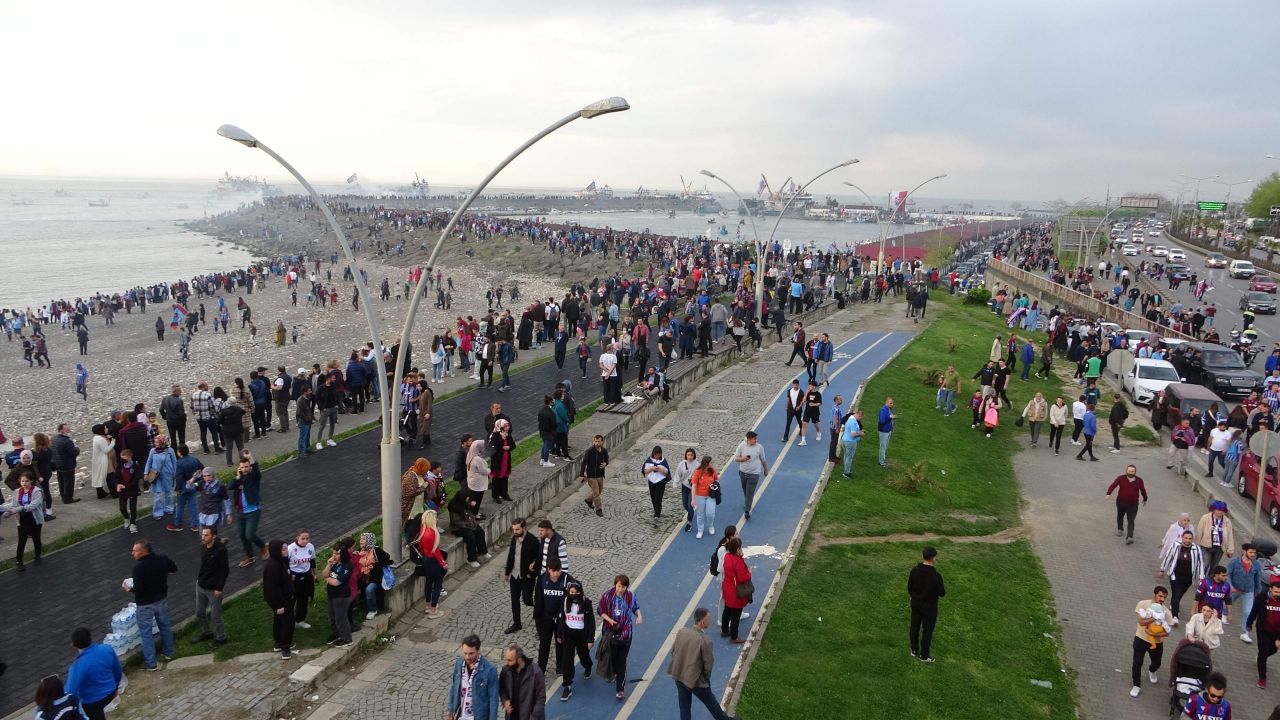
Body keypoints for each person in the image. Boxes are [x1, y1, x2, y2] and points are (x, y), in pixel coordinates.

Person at [668, 607, 740, 720]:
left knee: (684, 707)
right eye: (709, 619)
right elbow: (708, 665)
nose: (710, 621)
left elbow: (674, 651)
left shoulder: (682, 632)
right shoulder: (705, 641)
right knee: (712, 704)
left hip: (679, 677)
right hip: (696, 681)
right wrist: (705, 679)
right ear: (702, 622)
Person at [127, 539, 177, 671]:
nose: (132, 553)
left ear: (143, 552)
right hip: (161, 599)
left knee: (146, 633)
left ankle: (151, 663)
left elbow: (139, 590)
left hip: (145, 605)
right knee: (165, 626)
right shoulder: (162, 559)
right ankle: (169, 652)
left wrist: (129, 589)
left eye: (135, 550)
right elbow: (174, 569)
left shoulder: (138, 568)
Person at [598, 574, 642, 700]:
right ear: (615, 585)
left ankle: (620, 689)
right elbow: (600, 611)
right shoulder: (607, 596)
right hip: (610, 633)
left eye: (623, 587)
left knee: (622, 661)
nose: (620, 589)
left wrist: (639, 616)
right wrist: (610, 620)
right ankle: (614, 671)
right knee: (612, 656)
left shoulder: (631, 596)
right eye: (618, 586)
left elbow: (636, 608)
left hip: (626, 634)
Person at [65, 626, 122, 720]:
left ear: (73, 645)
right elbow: (117, 671)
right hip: (111, 692)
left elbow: (71, 692)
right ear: (90, 638)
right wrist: (115, 687)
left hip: (92, 702)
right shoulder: (107, 649)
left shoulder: (77, 666)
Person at [556, 579, 596, 700]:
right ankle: (567, 686)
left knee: (583, 655)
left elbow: (591, 622)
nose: (573, 594)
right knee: (567, 660)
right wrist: (559, 634)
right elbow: (561, 618)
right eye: (571, 592)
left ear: (580, 592)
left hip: (581, 635)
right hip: (568, 635)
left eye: (575, 592)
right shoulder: (564, 601)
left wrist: (590, 639)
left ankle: (588, 665)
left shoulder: (586, 603)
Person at [533, 557, 573, 675]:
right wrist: (538, 618)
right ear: (548, 570)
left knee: (560, 643)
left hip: (561, 619)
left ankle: (560, 665)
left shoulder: (567, 580)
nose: (556, 574)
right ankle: (541, 667)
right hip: (546, 618)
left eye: (558, 570)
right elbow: (538, 598)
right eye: (553, 571)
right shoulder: (541, 579)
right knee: (544, 644)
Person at [907, 546, 946, 663]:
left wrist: (914, 596)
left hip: (916, 603)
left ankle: (914, 650)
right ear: (933, 558)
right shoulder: (936, 576)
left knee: (914, 626)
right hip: (930, 607)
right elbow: (942, 593)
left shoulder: (914, 570)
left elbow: (910, 587)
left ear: (923, 556)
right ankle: (924, 656)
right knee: (927, 630)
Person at [447, 634, 499, 720]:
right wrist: (451, 708)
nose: (467, 657)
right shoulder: (459, 663)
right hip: (461, 715)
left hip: (479, 717)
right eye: (465, 653)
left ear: (478, 650)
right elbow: (454, 687)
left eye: (471, 653)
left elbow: (493, 699)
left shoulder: (490, 670)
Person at [1130, 585, 1169, 698]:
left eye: (1164, 597)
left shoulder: (1166, 611)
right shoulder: (1143, 604)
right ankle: (1136, 685)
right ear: (1154, 594)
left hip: (1157, 642)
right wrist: (1156, 617)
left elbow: (1167, 632)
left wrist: (1155, 634)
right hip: (1141, 638)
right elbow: (1141, 622)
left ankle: (1152, 670)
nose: (1162, 599)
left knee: (1157, 663)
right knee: (1137, 662)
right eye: (1160, 596)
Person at [1, 470, 45, 569]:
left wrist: (15, 510)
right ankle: (19, 562)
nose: (24, 483)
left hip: (34, 518)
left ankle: (37, 556)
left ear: (31, 481)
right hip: (23, 519)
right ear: (20, 481)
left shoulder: (37, 491)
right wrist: (3, 509)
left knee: (36, 538)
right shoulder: (17, 492)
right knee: (22, 540)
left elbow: (32, 506)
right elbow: (13, 505)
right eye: (22, 481)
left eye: (27, 481)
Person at [1158, 530, 1205, 622]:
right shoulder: (1176, 545)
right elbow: (1168, 557)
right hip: (1175, 575)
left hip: (1188, 577)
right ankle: (1175, 616)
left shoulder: (1196, 549)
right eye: (1186, 538)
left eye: (1190, 539)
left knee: (1179, 595)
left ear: (1193, 539)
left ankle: (1174, 604)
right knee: (1176, 594)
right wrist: (1162, 569)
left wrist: (1201, 576)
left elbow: (1200, 563)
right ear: (1182, 538)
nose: (1187, 540)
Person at [504, 518, 539, 634]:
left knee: (527, 600)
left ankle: (539, 606)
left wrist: (531, 573)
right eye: (513, 529)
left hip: (527, 576)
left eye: (517, 529)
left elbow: (538, 558)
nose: (515, 531)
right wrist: (507, 572)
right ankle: (516, 623)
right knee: (514, 599)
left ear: (524, 528)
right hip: (515, 575)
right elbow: (511, 556)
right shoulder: (514, 539)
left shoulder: (533, 541)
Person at [229, 453, 265, 567]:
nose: (244, 469)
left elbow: (257, 473)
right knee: (242, 535)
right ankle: (249, 556)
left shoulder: (253, 477)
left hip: (253, 511)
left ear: (250, 467)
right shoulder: (239, 479)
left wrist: (251, 459)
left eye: (246, 467)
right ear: (239, 468)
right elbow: (229, 486)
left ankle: (264, 546)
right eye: (242, 467)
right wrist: (237, 477)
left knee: (249, 535)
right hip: (241, 512)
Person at [195, 525, 229, 646]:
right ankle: (207, 632)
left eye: (206, 535)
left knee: (215, 615)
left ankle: (221, 638)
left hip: (213, 589)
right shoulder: (204, 546)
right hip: (200, 585)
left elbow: (225, 570)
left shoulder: (220, 550)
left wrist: (219, 588)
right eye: (202, 535)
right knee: (199, 612)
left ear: (213, 536)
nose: (203, 538)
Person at [499, 644, 546, 719]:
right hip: (512, 716)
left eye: (510, 660)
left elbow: (541, 698)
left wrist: (533, 718)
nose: (507, 663)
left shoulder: (535, 672)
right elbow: (502, 688)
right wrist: (505, 700)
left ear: (519, 660)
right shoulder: (506, 671)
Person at [1229, 543, 1263, 645]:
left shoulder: (1256, 564)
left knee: (1247, 611)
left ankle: (1244, 633)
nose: (1253, 554)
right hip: (1235, 589)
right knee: (1228, 603)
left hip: (1248, 591)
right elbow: (1228, 574)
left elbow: (1258, 578)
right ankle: (1224, 614)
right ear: (1244, 551)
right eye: (1251, 552)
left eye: (1254, 553)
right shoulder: (1234, 562)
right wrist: (1230, 586)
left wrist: (1258, 591)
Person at [720, 537, 752, 644]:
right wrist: (749, 573)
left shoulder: (727, 556)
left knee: (727, 610)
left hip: (727, 587)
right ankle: (734, 637)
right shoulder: (738, 561)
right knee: (736, 615)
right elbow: (743, 578)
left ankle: (724, 630)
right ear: (738, 549)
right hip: (736, 591)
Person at [1105, 465, 1148, 545]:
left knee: (1131, 520)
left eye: (1132, 471)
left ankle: (1129, 537)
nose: (1131, 473)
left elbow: (1143, 490)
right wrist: (1108, 493)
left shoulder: (1139, 481)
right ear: (1126, 471)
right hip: (1121, 502)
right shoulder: (1121, 478)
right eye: (1129, 471)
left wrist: (1145, 498)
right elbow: (1113, 485)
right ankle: (1120, 529)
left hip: (1133, 504)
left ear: (1135, 472)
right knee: (1120, 515)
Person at [324, 540, 354, 648]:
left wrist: (327, 578)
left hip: (341, 596)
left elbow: (336, 582)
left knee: (341, 618)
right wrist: (328, 565)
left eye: (337, 554)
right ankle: (336, 634)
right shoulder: (334, 563)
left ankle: (346, 638)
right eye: (333, 553)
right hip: (331, 595)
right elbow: (324, 574)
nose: (334, 556)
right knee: (332, 616)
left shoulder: (347, 566)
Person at [733, 431, 769, 520]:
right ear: (749, 439)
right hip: (743, 472)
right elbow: (735, 458)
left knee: (750, 492)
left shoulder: (759, 447)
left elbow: (763, 460)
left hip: (754, 474)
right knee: (745, 490)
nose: (756, 440)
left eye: (756, 438)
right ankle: (747, 503)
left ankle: (747, 511)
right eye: (754, 439)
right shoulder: (742, 446)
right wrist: (743, 459)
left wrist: (766, 470)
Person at [287, 529, 317, 630]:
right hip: (294, 577)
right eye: (303, 538)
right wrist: (289, 576)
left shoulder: (310, 546)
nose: (305, 541)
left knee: (303, 599)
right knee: (291, 600)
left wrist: (314, 574)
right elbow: (285, 564)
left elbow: (312, 560)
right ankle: (288, 621)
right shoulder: (290, 549)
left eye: (307, 538)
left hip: (306, 575)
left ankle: (300, 620)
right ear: (297, 537)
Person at [1196, 501, 1235, 572]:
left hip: (1219, 548)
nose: (1219, 512)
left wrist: (1230, 549)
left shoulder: (1227, 521)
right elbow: (1199, 532)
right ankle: (1201, 580)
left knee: (1214, 566)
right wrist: (1197, 546)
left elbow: (1230, 536)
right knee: (1205, 564)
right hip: (1206, 546)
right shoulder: (1205, 518)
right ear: (1213, 509)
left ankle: (1211, 581)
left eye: (1222, 510)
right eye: (1218, 510)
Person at [580, 434, 609, 516]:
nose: (596, 443)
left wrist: (605, 463)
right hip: (591, 476)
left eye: (598, 441)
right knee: (596, 493)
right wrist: (582, 474)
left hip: (600, 475)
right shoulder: (590, 451)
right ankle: (598, 509)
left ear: (602, 442)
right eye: (595, 441)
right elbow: (584, 462)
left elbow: (607, 459)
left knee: (599, 491)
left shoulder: (604, 450)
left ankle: (589, 500)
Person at [691, 455, 719, 539]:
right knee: (700, 514)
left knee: (710, 513)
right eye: (711, 462)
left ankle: (710, 526)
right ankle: (700, 530)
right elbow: (694, 486)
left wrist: (714, 487)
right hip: (699, 495)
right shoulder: (698, 472)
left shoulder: (713, 470)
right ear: (706, 463)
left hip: (711, 495)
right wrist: (693, 499)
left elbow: (716, 480)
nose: (712, 464)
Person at [642, 445, 671, 518]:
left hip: (660, 482)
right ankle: (656, 510)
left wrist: (660, 469)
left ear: (661, 454)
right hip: (651, 481)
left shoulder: (663, 461)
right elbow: (644, 471)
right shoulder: (649, 460)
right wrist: (651, 468)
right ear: (653, 453)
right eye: (655, 454)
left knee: (658, 498)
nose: (657, 456)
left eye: (658, 454)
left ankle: (657, 513)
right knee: (653, 497)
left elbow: (667, 472)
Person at [840, 409, 864, 477]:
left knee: (846, 456)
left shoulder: (850, 419)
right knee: (849, 457)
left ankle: (846, 470)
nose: (860, 420)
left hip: (845, 440)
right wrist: (861, 433)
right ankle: (846, 473)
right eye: (861, 418)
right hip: (850, 442)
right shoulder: (853, 422)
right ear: (859, 415)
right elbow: (853, 434)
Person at [877, 397, 895, 467]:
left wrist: (892, 428)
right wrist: (890, 418)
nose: (892, 404)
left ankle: (883, 459)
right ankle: (882, 462)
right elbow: (882, 421)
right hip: (883, 431)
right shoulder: (883, 410)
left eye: (892, 403)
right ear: (886, 402)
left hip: (888, 430)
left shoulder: (888, 409)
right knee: (883, 446)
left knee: (885, 446)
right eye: (890, 403)